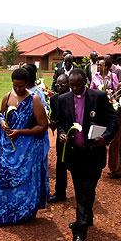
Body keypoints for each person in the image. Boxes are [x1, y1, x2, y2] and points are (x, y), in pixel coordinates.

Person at [57, 69, 118, 241]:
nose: (75, 88)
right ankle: (83, 224)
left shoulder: (98, 97)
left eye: (78, 84)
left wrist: (105, 138)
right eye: (72, 85)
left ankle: (81, 225)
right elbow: (60, 122)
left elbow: (113, 120)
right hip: (75, 154)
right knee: (80, 189)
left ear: (86, 81)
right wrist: (61, 133)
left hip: (93, 152)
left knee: (88, 189)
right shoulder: (63, 100)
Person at [0, 68, 49, 225]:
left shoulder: (34, 100)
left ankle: (23, 213)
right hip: (8, 148)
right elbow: (0, 115)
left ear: (27, 84)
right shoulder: (7, 97)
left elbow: (43, 125)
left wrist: (20, 131)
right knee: (2, 179)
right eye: (15, 86)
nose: (18, 89)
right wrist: (3, 123)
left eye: (21, 86)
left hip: (26, 148)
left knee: (25, 182)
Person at [49, 74, 71, 203]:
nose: (59, 87)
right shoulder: (54, 99)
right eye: (57, 85)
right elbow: (55, 117)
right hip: (62, 137)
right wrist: (52, 123)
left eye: (63, 85)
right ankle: (60, 192)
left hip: (76, 136)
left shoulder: (75, 97)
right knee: (61, 164)